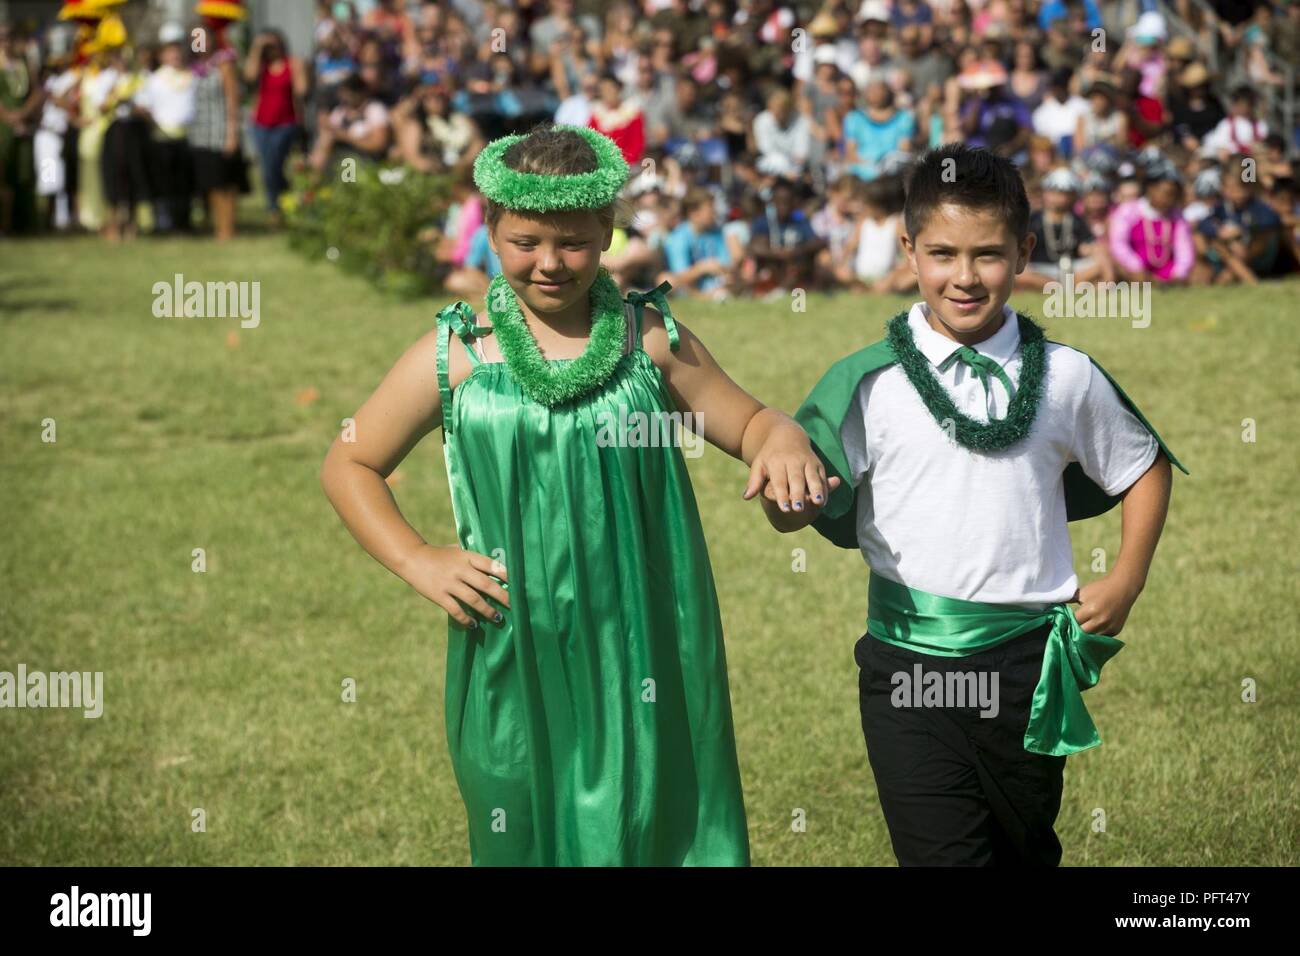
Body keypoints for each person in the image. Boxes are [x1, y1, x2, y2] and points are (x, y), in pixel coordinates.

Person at [319, 123, 829, 866]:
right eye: (525, 241)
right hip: (512, 637)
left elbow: (749, 421)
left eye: (575, 242)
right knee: (521, 811)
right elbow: (350, 463)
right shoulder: (461, 352)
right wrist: (419, 560)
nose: (551, 263)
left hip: (645, 636)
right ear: (490, 229)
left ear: (608, 232)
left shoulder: (647, 339)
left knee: (651, 816)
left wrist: (780, 438)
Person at [771, 143, 1184, 866]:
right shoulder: (870, 384)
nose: (964, 277)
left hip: (1028, 665)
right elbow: (796, 502)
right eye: (942, 254)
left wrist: (1127, 578)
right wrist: (789, 500)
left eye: (988, 255)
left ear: (1024, 251)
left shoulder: (1066, 376)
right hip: (906, 669)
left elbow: (1144, 465)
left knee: (1023, 851)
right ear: (908, 249)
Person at [189, 0, 246, 241]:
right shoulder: (195, 68)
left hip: (222, 130)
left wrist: (232, 133)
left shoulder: (224, 63)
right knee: (211, 182)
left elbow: (233, 100)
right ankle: (217, 227)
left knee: (226, 182)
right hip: (201, 132)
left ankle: (227, 228)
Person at [245, 29, 306, 226]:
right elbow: (249, 77)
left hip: (286, 122)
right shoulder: (261, 66)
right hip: (261, 123)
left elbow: (302, 90)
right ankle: (276, 207)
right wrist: (257, 48)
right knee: (267, 167)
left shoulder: (293, 63)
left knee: (276, 164)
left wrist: (299, 72)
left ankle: (281, 203)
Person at [1017, 167, 1114, 290]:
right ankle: (1063, 287)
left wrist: (1090, 250)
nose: (1060, 197)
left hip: (1072, 271)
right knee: (1019, 273)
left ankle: (1106, 286)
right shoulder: (1034, 220)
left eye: (1066, 193)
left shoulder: (1077, 220)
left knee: (1102, 254)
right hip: (1042, 270)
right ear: (1046, 193)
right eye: (1055, 192)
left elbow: (1089, 246)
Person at [1108, 163, 1195, 284]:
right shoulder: (1129, 211)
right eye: (1166, 193)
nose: (1169, 199)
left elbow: (1184, 249)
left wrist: (1179, 273)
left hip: (1168, 273)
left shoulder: (1177, 216)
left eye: (1173, 195)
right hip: (1135, 271)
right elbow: (1118, 244)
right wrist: (1135, 267)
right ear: (1150, 189)